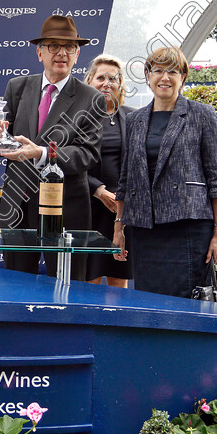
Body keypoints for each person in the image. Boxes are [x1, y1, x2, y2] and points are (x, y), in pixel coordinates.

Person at [0, 14, 104, 280]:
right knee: (17, 289)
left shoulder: (92, 98)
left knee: (67, 288)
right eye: (53, 46)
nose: (62, 53)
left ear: (77, 55)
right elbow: (7, 138)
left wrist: (41, 153)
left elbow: (87, 154)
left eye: (69, 47)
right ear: (39, 53)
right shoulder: (17, 87)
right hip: (17, 205)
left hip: (66, 210)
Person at [113, 46, 217, 298]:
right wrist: (118, 227)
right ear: (148, 75)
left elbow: (216, 178)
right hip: (144, 229)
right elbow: (126, 178)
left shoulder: (202, 115)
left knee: (187, 302)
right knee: (147, 301)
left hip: (187, 227)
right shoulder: (135, 120)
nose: (165, 78)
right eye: (158, 71)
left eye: (172, 71)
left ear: (183, 77)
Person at [84, 54, 135, 288]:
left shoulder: (133, 117)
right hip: (88, 210)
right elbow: (67, 163)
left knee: (119, 282)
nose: (107, 83)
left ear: (121, 84)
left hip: (121, 214)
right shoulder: (78, 119)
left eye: (113, 78)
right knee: (88, 280)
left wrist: (123, 201)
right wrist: (99, 190)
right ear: (90, 81)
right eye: (101, 77)